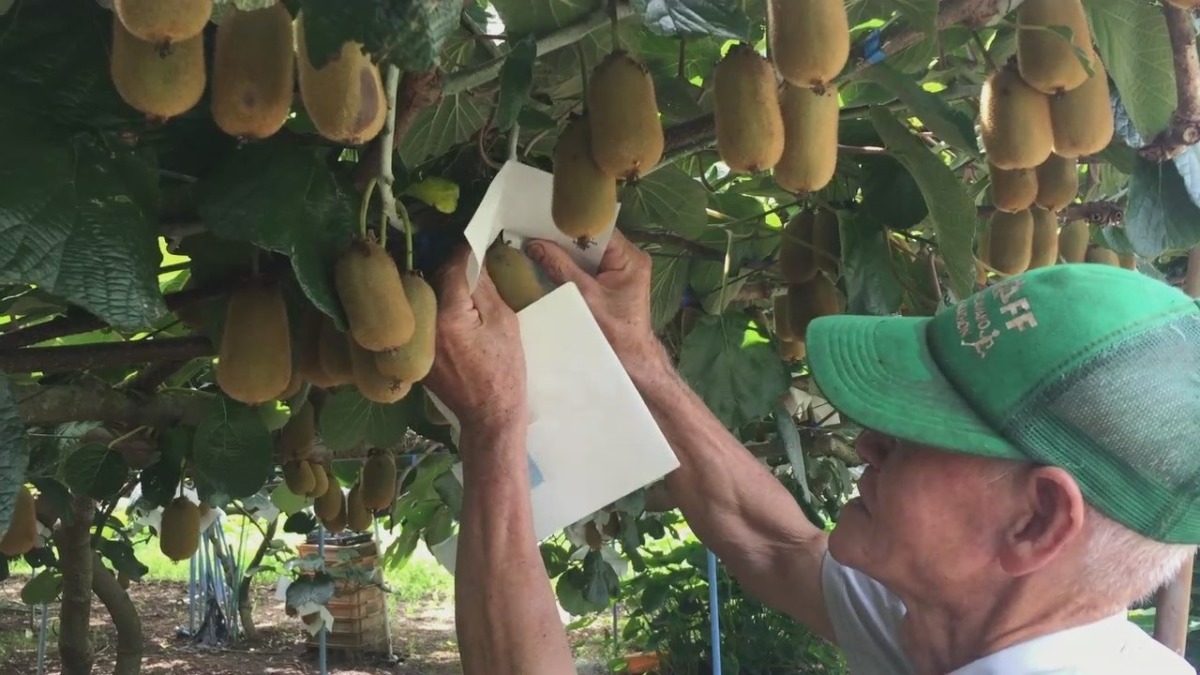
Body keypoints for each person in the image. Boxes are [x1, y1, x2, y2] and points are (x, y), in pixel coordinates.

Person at [423, 230, 1200, 675]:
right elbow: (777, 543)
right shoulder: (982, 627)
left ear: (1037, 521)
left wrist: (497, 427)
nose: (868, 439)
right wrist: (637, 355)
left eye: (920, 430)